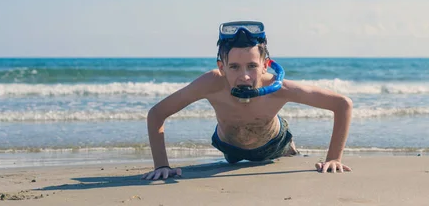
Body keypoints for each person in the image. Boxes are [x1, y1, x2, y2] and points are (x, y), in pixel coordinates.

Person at [143, 21, 353, 180]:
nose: (244, 76)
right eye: (234, 67)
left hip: (274, 144)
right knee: (231, 159)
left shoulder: (281, 89)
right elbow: (157, 114)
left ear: (265, 65)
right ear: (221, 67)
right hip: (228, 147)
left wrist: (334, 158)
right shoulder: (210, 84)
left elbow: (342, 104)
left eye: (252, 66)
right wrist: (162, 165)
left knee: (285, 153)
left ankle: (292, 147)